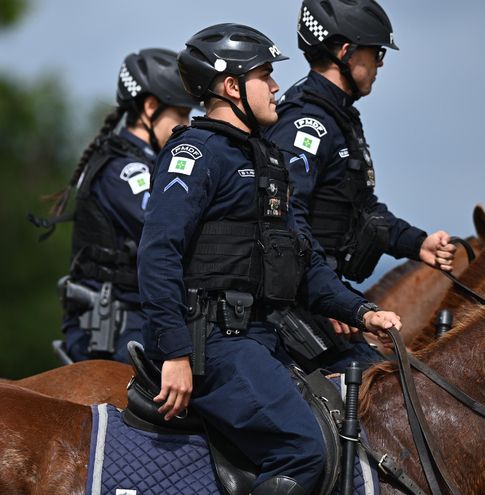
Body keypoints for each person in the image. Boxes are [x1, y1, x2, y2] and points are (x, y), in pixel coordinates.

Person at [138, 24, 402, 494]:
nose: (278, 86)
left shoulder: (269, 161)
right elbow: (158, 255)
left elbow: (303, 262)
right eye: (265, 75)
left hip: (262, 336)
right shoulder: (193, 153)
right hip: (213, 341)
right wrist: (176, 352)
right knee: (303, 450)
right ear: (232, 86)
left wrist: (361, 311)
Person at [264, 0, 456, 371]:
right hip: (299, 301)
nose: (381, 63)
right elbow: (286, 221)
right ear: (346, 51)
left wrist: (418, 243)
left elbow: (362, 208)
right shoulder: (306, 122)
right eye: (377, 52)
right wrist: (330, 298)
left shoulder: (339, 116)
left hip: (322, 291)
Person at [32, 48, 195, 363]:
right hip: (115, 328)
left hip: (138, 317)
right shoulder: (124, 170)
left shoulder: (154, 163)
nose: (187, 126)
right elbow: (166, 225)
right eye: (181, 115)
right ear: (150, 107)